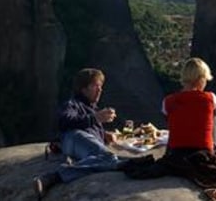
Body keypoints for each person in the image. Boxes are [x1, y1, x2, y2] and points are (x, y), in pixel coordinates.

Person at [34, 68, 139, 199]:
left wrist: (104, 134)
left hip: (80, 144)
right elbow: (64, 121)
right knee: (108, 158)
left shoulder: (91, 107)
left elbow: (89, 130)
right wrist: (96, 118)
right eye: (95, 86)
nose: (100, 90)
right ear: (83, 89)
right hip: (73, 138)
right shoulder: (73, 104)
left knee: (117, 160)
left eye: (100, 86)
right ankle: (51, 177)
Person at [162, 57, 216, 156]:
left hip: (176, 154)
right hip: (203, 155)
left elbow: (168, 119)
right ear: (201, 79)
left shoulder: (167, 101)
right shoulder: (211, 98)